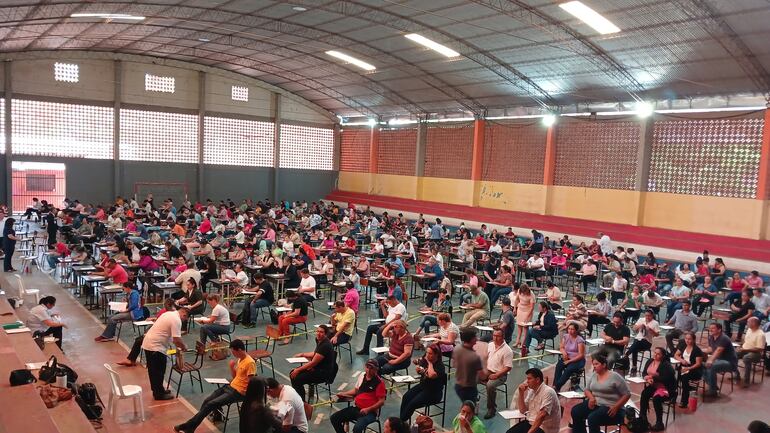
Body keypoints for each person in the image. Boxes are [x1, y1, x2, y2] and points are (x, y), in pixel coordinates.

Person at [174, 339, 256, 433]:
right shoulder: (240, 360)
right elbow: (235, 377)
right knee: (207, 401)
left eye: (234, 352)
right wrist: (231, 367)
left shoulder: (250, 363)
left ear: (240, 350)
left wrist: (247, 397)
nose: (233, 354)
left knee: (210, 404)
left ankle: (188, 426)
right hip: (230, 387)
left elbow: (252, 383)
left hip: (238, 392)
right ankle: (191, 427)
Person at [569, 354, 631, 433]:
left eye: (596, 364)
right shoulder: (594, 375)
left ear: (604, 365)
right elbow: (587, 390)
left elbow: (627, 394)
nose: (594, 366)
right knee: (575, 411)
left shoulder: (615, 377)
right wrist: (591, 398)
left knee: (592, 418)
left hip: (610, 406)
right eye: (593, 364)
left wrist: (616, 407)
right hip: (596, 404)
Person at [141, 307, 189, 400]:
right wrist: (184, 347)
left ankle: (159, 390)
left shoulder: (168, 314)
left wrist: (178, 346)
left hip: (151, 344)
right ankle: (158, 394)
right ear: (184, 315)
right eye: (184, 319)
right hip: (155, 347)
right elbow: (176, 339)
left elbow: (170, 336)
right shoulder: (176, 319)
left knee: (157, 370)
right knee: (157, 371)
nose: (183, 321)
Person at [331, 359, 387, 433]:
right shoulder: (362, 376)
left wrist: (368, 409)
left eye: (371, 368)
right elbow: (356, 391)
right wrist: (344, 393)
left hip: (370, 413)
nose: (368, 370)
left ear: (376, 369)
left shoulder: (379, 383)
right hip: (357, 408)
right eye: (367, 367)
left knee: (357, 429)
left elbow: (381, 401)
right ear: (365, 367)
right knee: (334, 418)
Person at [505, 368, 561, 433]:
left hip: (545, 428)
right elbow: (523, 410)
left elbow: (542, 415)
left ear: (537, 380)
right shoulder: (532, 391)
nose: (527, 381)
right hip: (531, 422)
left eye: (529, 379)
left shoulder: (548, 392)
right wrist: (521, 393)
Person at [290, 325, 337, 401]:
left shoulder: (325, 345)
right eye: (317, 331)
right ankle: (300, 398)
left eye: (321, 332)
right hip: (317, 368)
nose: (318, 333)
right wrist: (303, 354)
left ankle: (301, 402)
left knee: (296, 378)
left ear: (325, 334)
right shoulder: (319, 340)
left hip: (323, 373)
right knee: (292, 373)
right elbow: (316, 353)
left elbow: (313, 362)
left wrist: (298, 370)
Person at [400, 344, 446, 421]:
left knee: (412, 404)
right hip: (423, 386)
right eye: (427, 352)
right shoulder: (425, 360)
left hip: (433, 393)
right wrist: (419, 370)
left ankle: (401, 421)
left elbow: (431, 375)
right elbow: (420, 366)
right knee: (406, 397)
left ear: (436, 355)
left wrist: (430, 363)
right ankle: (401, 420)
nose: (427, 355)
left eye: (430, 353)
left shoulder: (440, 366)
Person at [637, 347, 676, 431]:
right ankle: (643, 417)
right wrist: (646, 377)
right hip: (654, 386)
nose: (655, 355)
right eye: (655, 353)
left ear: (662, 356)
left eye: (658, 354)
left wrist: (654, 378)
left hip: (666, 388)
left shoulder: (666, 365)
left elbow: (667, 378)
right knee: (644, 394)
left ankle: (659, 423)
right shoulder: (650, 361)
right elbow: (644, 372)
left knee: (656, 399)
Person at [482, 329, 513, 418]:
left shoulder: (507, 350)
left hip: (500, 375)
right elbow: (486, 357)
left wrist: (497, 375)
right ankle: (473, 402)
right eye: (494, 335)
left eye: (498, 336)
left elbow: (508, 367)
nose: (495, 338)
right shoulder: (490, 345)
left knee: (490, 385)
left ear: (503, 337)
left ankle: (491, 409)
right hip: (488, 370)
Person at [702, 322, 738, 397]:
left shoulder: (723, 338)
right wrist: (700, 351)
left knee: (710, 366)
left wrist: (710, 360)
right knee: (701, 365)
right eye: (710, 328)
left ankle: (713, 391)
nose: (710, 330)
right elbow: (711, 348)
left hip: (729, 362)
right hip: (719, 360)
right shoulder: (711, 337)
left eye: (713, 328)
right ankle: (713, 386)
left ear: (719, 330)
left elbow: (718, 351)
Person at [622, 309, 660, 375]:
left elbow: (657, 334)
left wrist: (651, 330)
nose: (647, 317)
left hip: (647, 342)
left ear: (652, 316)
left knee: (637, 343)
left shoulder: (655, 323)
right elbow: (634, 329)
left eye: (649, 316)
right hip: (638, 339)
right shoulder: (641, 320)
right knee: (635, 347)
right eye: (646, 316)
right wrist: (639, 326)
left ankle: (626, 355)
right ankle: (634, 366)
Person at [673, 331, 703, 408]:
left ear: (693, 340)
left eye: (689, 339)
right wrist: (681, 360)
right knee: (674, 377)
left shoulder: (697, 350)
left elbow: (698, 364)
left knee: (684, 379)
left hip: (694, 369)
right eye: (686, 339)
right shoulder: (683, 345)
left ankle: (684, 401)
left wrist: (688, 368)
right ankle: (673, 397)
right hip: (683, 367)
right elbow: (676, 355)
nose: (687, 340)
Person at [453, 327, 483, 402]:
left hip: (458, 385)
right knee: (469, 408)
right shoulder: (474, 356)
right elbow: (482, 375)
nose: (477, 338)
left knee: (465, 404)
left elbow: (454, 365)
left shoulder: (457, 349)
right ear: (472, 339)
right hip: (469, 388)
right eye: (475, 337)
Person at [553, 322, 586, 391]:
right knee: (559, 366)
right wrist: (564, 353)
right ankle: (555, 386)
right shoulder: (566, 336)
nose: (570, 331)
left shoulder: (580, 340)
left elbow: (581, 355)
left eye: (572, 329)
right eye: (569, 329)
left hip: (578, 360)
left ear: (576, 330)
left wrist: (569, 361)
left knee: (569, 369)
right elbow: (561, 347)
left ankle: (557, 386)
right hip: (567, 357)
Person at [737, 316, 764, 388]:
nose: (747, 323)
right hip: (745, 350)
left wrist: (745, 350)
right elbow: (746, 341)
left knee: (746, 358)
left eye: (748, 322)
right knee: (733, 354)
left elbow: (759, 349)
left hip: (756, 354)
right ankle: (736, 375)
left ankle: (746, 381)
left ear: (754, 323)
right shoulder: (749, 330)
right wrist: (741, 346)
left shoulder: (760, 334)